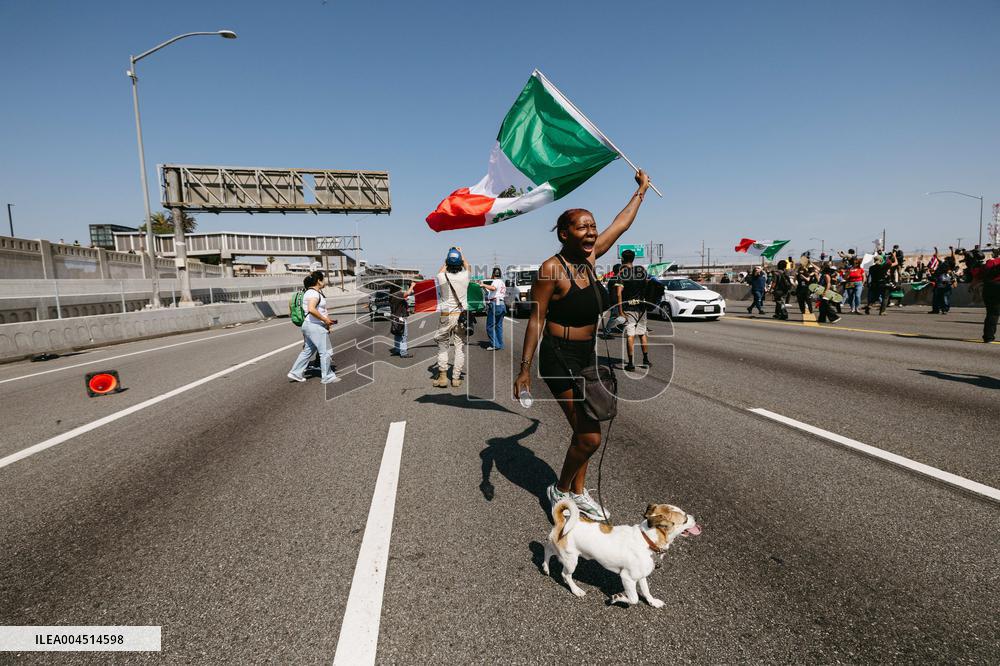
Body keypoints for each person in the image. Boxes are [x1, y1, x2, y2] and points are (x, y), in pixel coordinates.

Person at [514, 170, 650, 520]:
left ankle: (578, 492)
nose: (591, 232)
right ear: (564, 234)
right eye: (582, 227)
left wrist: (641, 191)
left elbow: (620, 225)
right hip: (558, 356)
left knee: (585, 424)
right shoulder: (550, 270)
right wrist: (524, 369)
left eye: (592, 227)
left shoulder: (590, 261)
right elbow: (536, 319)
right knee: (589, 437)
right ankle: (559, 490)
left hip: (586, 355)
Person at [288, 271, 340, 384]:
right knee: (325, 351)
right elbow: (312, 309)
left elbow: (321, 310)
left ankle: (295, 372)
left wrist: (327, 323)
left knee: (308, 350)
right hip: (315, 325)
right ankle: (327, 377)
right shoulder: (314, 294)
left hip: (310, 325)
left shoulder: (310, 292)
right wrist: (325, 320)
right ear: (319, 281)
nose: (324, 281)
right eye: (323, 279)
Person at [434, 247, 471, 388]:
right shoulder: (465, 276)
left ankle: (442, 377)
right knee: (459, 347)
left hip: (445, 315)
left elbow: (440, 271)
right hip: (461, 316)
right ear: (460, 263)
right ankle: (455, 378)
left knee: (443, 346)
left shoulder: (442, 277)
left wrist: (447, 258)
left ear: (447, 263)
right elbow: (467, 266)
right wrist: (461, 254)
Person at [616, 250, 650, 370]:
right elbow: (647, 285)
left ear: (622, 259)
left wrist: (620, 311)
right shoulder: (641, 271)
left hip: (628, 308)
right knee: (642, 333)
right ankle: (645, 360)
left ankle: (630, 363)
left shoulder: (623, 274)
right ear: (634, 258)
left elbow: (619, 294)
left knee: (630, 335)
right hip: (641, 307)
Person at [971, 247, 1000, 343]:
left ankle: (988, 337)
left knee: (992, 313)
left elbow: (977, 274)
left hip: (989, 288)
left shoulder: (990, 263)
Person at [480, 267, 507, 351]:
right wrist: (484, 287)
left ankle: (495, 345)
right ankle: (500, 344)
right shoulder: (502, 282)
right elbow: (493, 291)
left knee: (490, 326)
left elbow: (493, 288)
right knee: (499, 326)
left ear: (493, 274)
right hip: (502, 304)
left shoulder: (495, 281)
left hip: (496, 304)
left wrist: (483, 284)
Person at [388, 282, 414, 358]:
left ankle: (397, 350)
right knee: (403, 335)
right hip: (400, 318)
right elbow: (408, 293)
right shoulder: (398, 294)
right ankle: (403, 353)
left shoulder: (391, 295)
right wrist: (412, 286)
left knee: (397, 335)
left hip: (395, 317)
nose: (401, 288)